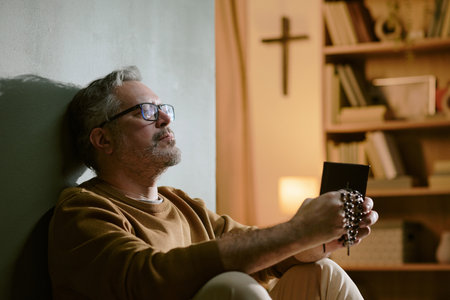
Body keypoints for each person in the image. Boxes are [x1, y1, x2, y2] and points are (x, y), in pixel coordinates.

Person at [48, 66, 378, 300]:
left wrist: (316, 238)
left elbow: (260, 252)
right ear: (103, 140)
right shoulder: (82, 210)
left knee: (322, 273)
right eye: (146, 112)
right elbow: (148, 279)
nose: (165, 118)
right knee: (234, 287)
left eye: (163, 109)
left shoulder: (182, 205)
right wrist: (297, 231)